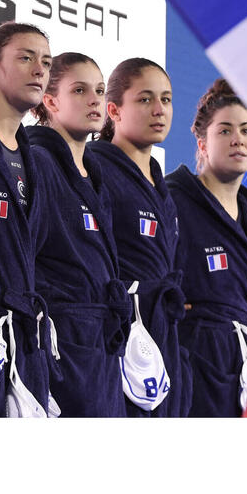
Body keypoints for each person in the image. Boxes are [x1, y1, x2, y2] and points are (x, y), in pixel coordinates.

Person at [28, 53, 131, 417]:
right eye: (80, 90)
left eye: (100, 91)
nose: (94, 100)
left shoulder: (93, 172)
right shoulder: (37, 161)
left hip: (99, 345)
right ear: (50, 101)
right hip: (65, 344)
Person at [165, 78, 247, 417]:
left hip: (245, 365)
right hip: (193, 360)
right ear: (201, 143)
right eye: (224, 131)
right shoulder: (173, 198)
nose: (238, 140)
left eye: (246, 131)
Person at [89, 57, 192, 417]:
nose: (159, 109)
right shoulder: (94, 166)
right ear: (113, 110)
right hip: (119, 333)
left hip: (162, 334)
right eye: (145, 99)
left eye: (166, 99)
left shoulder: (160, 184)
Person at [0, 21, 57, 416]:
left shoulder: (36, 160)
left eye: (46, 62)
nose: (39, 69)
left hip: (24, 336)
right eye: (25, 58)